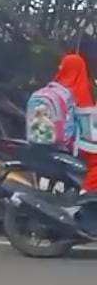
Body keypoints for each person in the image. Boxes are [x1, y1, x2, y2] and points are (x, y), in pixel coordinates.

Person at [52, 53, 96, 190]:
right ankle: (88, 191)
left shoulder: (53, 89)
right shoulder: (80, 91)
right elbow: (87, 131)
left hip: (51, 140)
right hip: (74, 144)